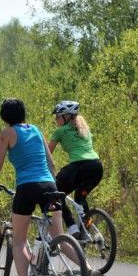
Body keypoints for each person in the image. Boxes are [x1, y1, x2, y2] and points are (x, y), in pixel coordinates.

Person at [0, 98, 106, 276]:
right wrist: (52, 184)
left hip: (27, 186)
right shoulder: (37, 130)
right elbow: (50, 162)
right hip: (49, 185)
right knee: (59, 236)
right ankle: (90, 271)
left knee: (19, 240)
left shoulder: (7, 133)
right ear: (23, 113)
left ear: (5, 117)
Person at [48, 101, 103, 240]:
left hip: (79, 167)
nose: (56, 120)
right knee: (80, 197)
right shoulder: (84, 129)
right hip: (96, 166)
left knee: (56, 193)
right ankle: (89, 230)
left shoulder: (59, 131)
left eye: (58, 116)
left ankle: (72, 228)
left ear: (66, 116)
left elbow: (47, 154)